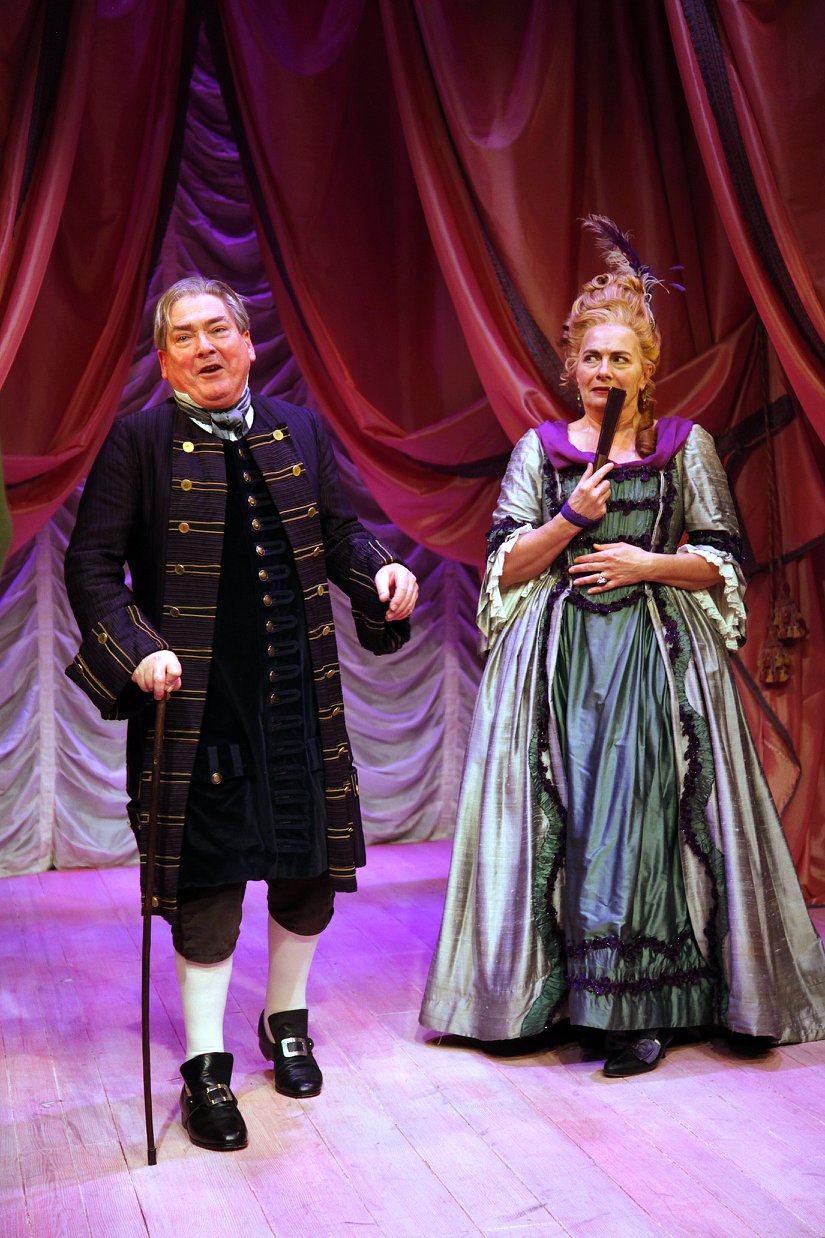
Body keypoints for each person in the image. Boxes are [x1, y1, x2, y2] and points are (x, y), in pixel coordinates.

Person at [420, 219, 825, 1076]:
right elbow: (504, 564)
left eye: (619, 358)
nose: (603, 370)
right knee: (565, 823)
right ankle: (560, 998)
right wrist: (571, 518)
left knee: (641, 825)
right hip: (560, 666)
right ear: (570, 367)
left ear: (647, 368)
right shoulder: (539, 451)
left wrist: (649, 563)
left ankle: (641, 1007)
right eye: (590, 357)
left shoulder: (684, 447)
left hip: (656, 663)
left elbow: (721, 558)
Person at [65, 276, 418, 1150]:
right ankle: (205, 1065)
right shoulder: (138, 441)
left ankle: (285, 1021)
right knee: (208, 881)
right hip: (197, 704)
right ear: (165, 360)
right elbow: (93, 566)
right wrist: (136, 646)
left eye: (218, 329)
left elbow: (338, 533)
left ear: (249, 342)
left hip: (296, 694)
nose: (206, 347)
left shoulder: (298, 429)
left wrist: (378, 569)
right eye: (185, 337)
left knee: (305, 869)